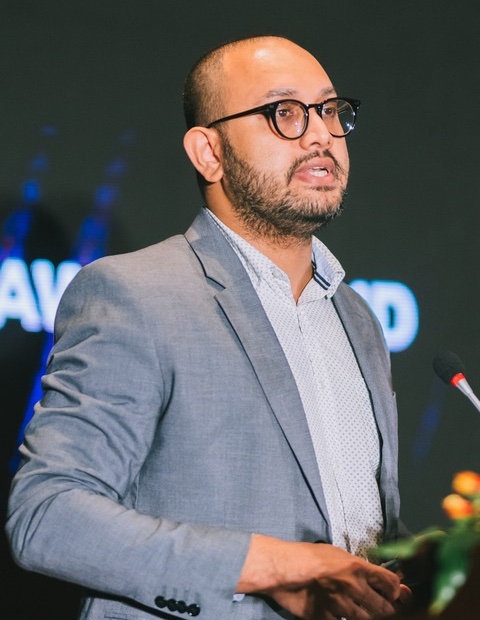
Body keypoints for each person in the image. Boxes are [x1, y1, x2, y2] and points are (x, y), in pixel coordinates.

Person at [6, 36, 409, 620]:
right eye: (285, 113)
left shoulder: (358, 319)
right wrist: (279, 565)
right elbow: (48, 515)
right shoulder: (134, 295)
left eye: (329, 111)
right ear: (209, 153)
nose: (321, 133)